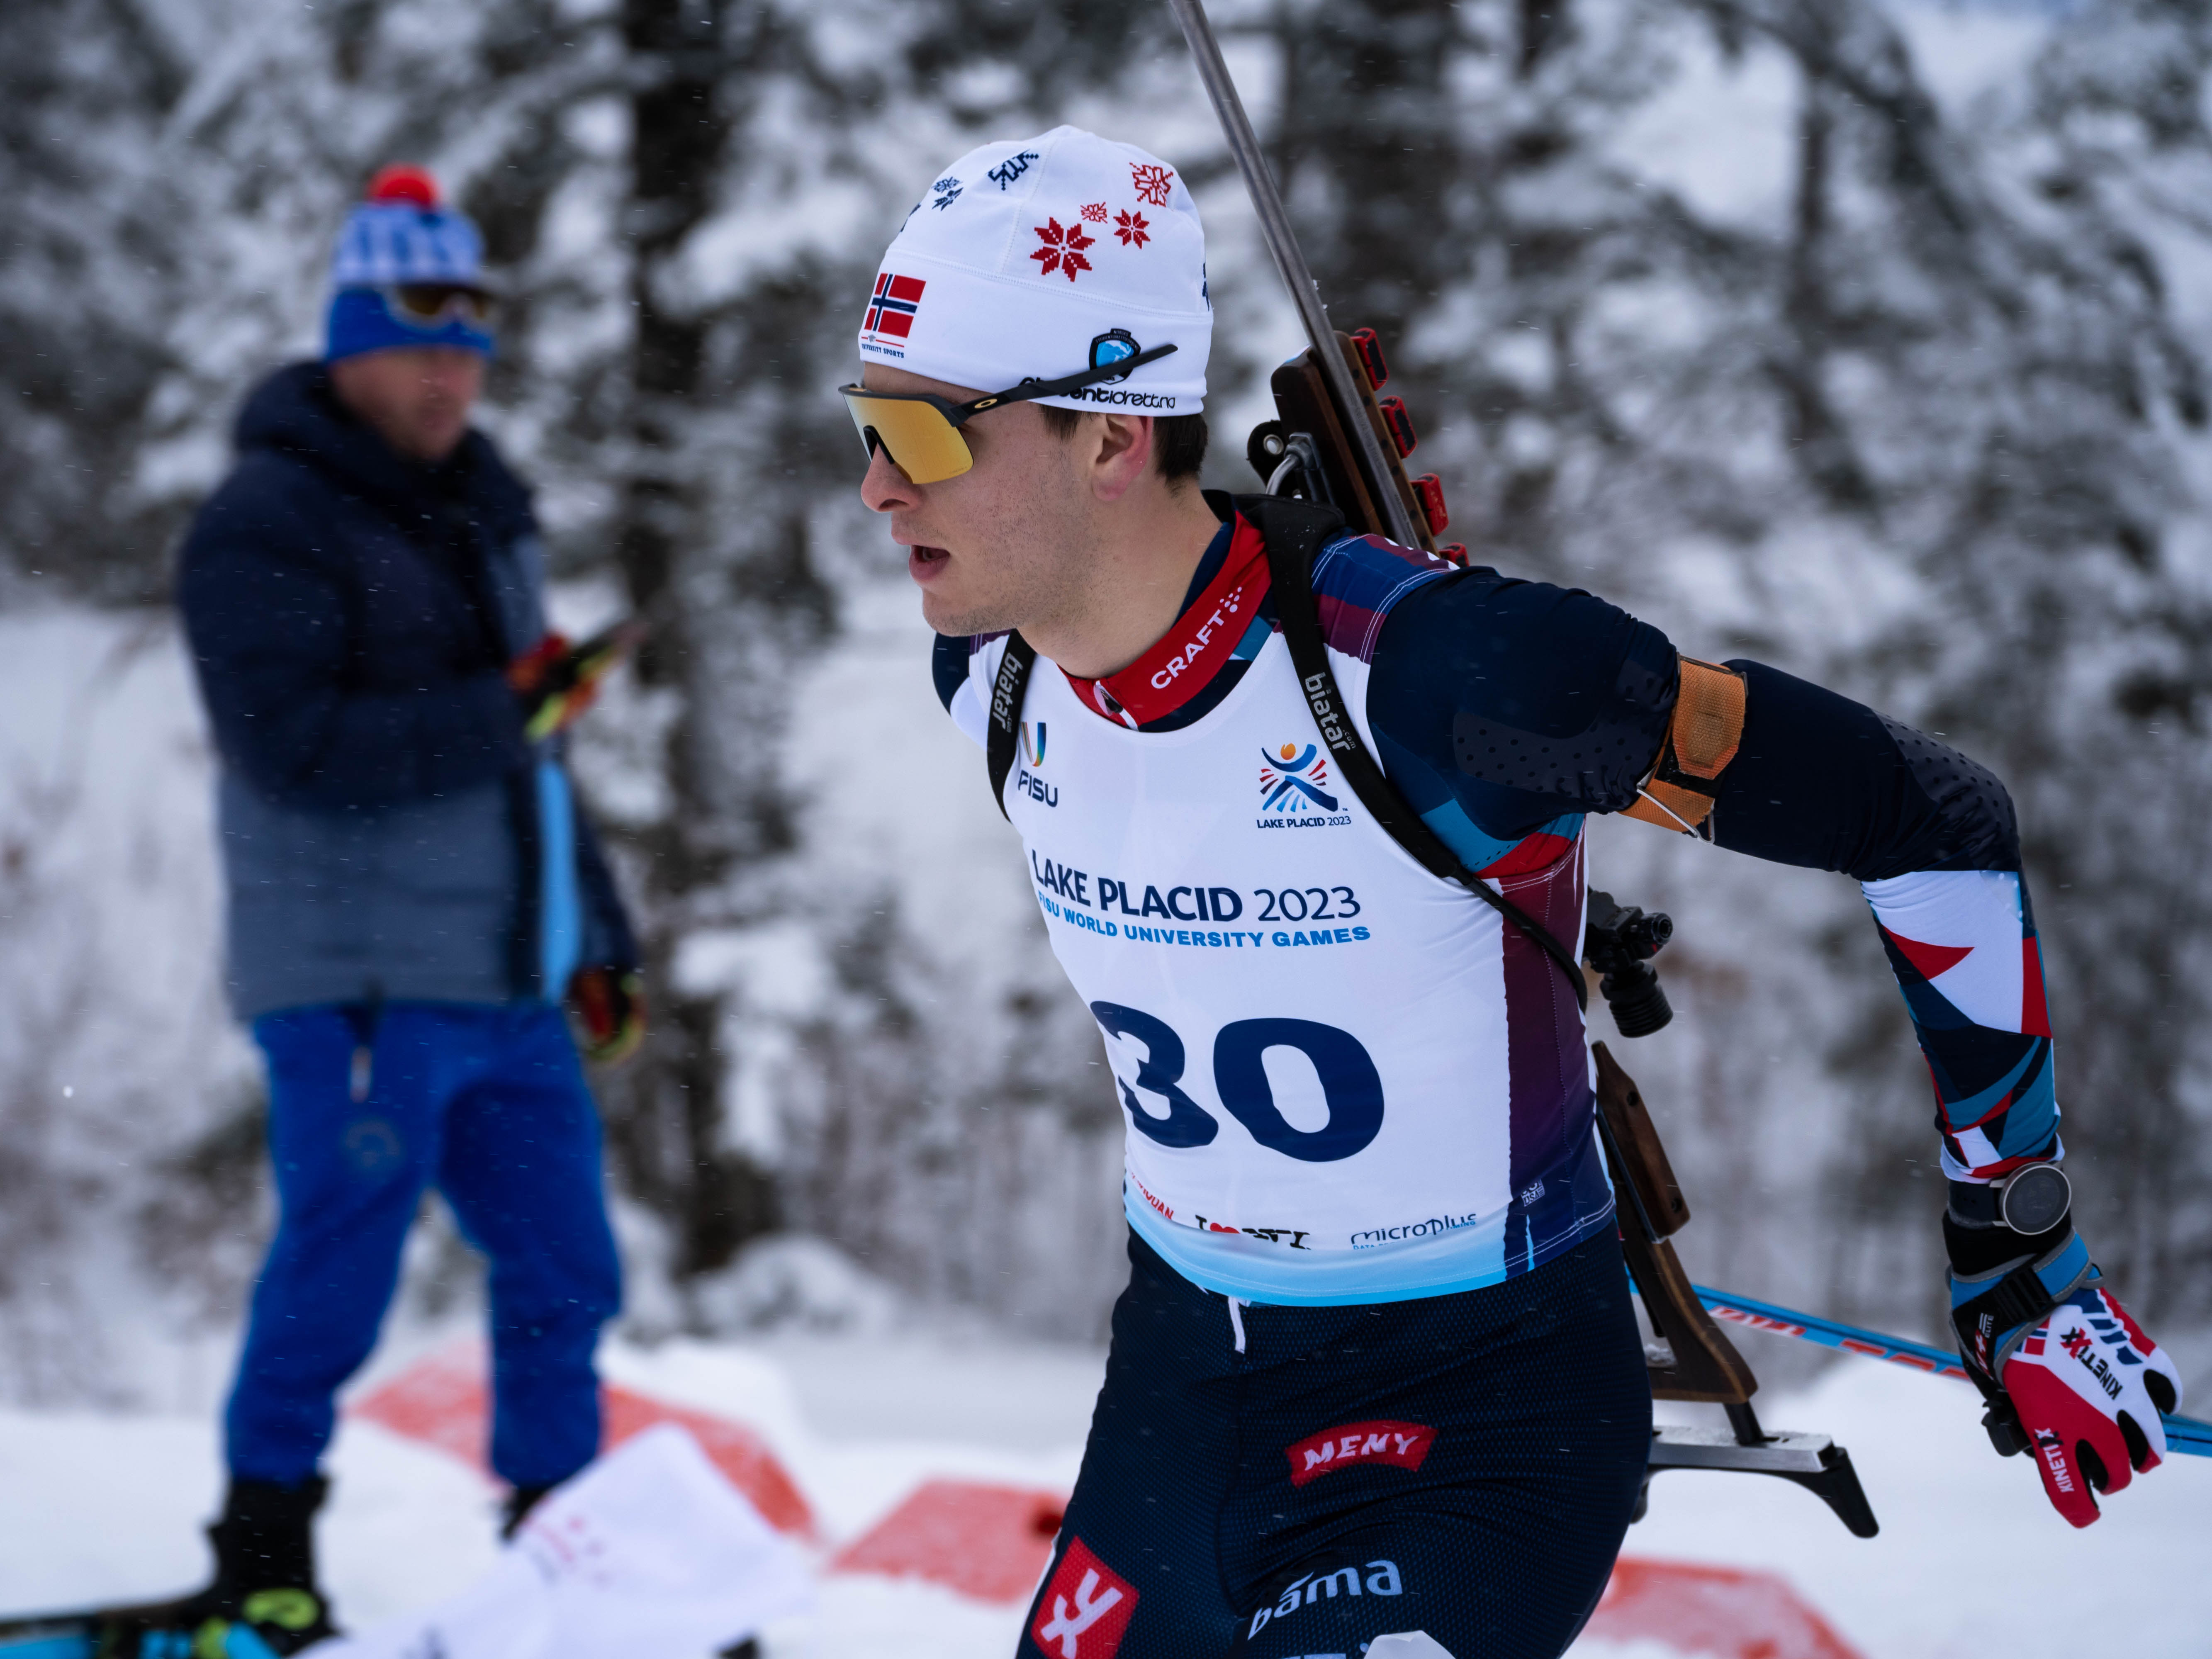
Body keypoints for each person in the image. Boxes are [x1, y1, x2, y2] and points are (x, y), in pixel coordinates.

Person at [841, 127, 2185, 1659]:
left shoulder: (1439, 679)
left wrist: (2021, 1248)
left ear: (1111, 436)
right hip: (1183, 1391)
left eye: (933, 433)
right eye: (869, 425)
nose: (881, 489)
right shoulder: (990, 676)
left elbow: (1931, 818)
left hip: (1481, 1410)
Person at [139, 165, 644, 1654]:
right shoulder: (265, 520)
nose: (452, 372)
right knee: (339, 1266)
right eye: (423, 342)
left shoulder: (480, 513)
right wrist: (503, 709)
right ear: (348, 341)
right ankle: (262, 1556)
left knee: (566, 1272)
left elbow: (532, 748)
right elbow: (290, 755)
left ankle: (559, 1549)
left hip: (506, 978)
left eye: (472, 346)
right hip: (356, 983)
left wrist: (597, 937)